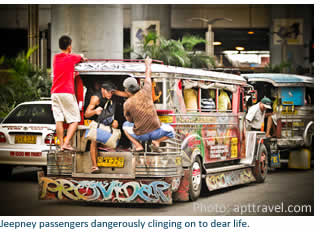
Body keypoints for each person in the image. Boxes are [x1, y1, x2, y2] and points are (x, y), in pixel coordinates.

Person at [122, 57, 175, 152]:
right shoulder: (146, 90)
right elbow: (148, 75)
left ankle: (138, 145)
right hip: (156, 132)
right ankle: (157, 142)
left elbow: (129, 120)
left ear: (126, 90)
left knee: (125, 125)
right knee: (171, 131)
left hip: (141, 135)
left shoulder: (127, 104)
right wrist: (148, 64)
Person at [51, 35, 87, 151]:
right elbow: (81, 57)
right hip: (66, 92)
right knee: (75, 119)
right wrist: (83, 58)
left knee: (59, 120)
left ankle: (61, 144)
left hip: (55, 93)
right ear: (70, 46)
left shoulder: (55, 58)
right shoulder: (71, 58)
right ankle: (67, 142)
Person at [85, 82, 127, 173]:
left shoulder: (111, 95)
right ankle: (94, 166)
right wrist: (95, 111)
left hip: (108, 122)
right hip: (97, 123)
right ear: (103, 90)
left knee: (116, 124)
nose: (110, 95)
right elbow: (86, 114)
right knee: (94, 139)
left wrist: (114, 92)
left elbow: (128, 94)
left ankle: (108, 148)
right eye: (108, 92)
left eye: (112, 93)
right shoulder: (96, 98)